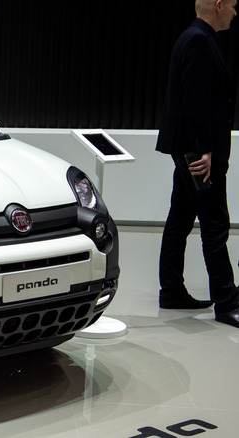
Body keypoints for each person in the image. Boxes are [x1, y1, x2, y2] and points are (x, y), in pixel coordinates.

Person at [156, 0, 239, 328]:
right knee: (215, 223)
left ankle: (172, 290)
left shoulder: (191, 37)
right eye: (232, 6)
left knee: (180, 217)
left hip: (188, 150)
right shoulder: (199, 41)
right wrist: (204, 149)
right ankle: (227, 302)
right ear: (218, 5)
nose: (235, 13)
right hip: (198, 154)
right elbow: (196, 100)